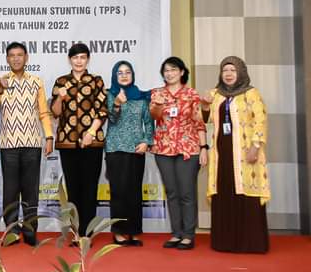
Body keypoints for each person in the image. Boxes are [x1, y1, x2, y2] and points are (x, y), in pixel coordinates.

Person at [201, 56, 270, 253]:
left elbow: (260, 120)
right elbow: (203, 120)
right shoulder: (216, 94)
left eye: (232, 70)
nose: (228, 74)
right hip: (222, 154)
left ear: (240, 72)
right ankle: (226, 242)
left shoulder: (251, 93)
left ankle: (251, 243)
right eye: (225, 70)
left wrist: (256, 147)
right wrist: (205, 105)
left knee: (246, 192)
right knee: (225, 191)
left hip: (245, 153)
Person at [0, 42, 53, 246]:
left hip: (33, 143)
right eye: (12, 55)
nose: (16, 58)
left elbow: (43, 112)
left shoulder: (36, 82)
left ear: (26, 58)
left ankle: (31, 230)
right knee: (11, 190)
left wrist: (49, 136)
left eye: (19, 55)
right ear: (7, 59)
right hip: (9, 145)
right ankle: (12, 231)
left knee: (31, 190)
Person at [150, 56, 207, 250]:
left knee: (187, 193)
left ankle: (188, 235)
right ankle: (176, 233)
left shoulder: (191, 94)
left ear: (182, 72)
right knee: (172, 192)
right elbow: (155, 117)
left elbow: (199, 123)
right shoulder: (157, 93)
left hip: (188, 149)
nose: (169, 73)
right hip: (163, 149)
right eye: (166, 70)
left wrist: (204, 148)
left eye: (173, 69)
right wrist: (157, 105)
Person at [50, 43, 107, 238]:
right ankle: (75, 231)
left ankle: (87, 233)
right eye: (75, 58)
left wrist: (91, 132)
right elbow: (55, 113)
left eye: (83, 57)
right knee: (73, 189)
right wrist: (60, 98)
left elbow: (102, 110)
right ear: (70, 60)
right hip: (68, 142)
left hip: (92, 142)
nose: (79, 61)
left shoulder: (96, 81)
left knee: (90, 188)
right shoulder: (61, 81)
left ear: (88, 59)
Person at [105, 60, 153, 246]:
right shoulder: (110, 94)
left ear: (132, 75)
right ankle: (118, 232)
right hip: (116, 148)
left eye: (127, 72)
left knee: (134, 192)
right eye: (120, 72)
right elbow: (111, 119)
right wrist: (117, 103)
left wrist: (146, 142)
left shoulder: (141, 97)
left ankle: (133, 231)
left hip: (136, 150)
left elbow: (149, 123)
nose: (124, 75)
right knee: (118, 192)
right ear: (115, 76)